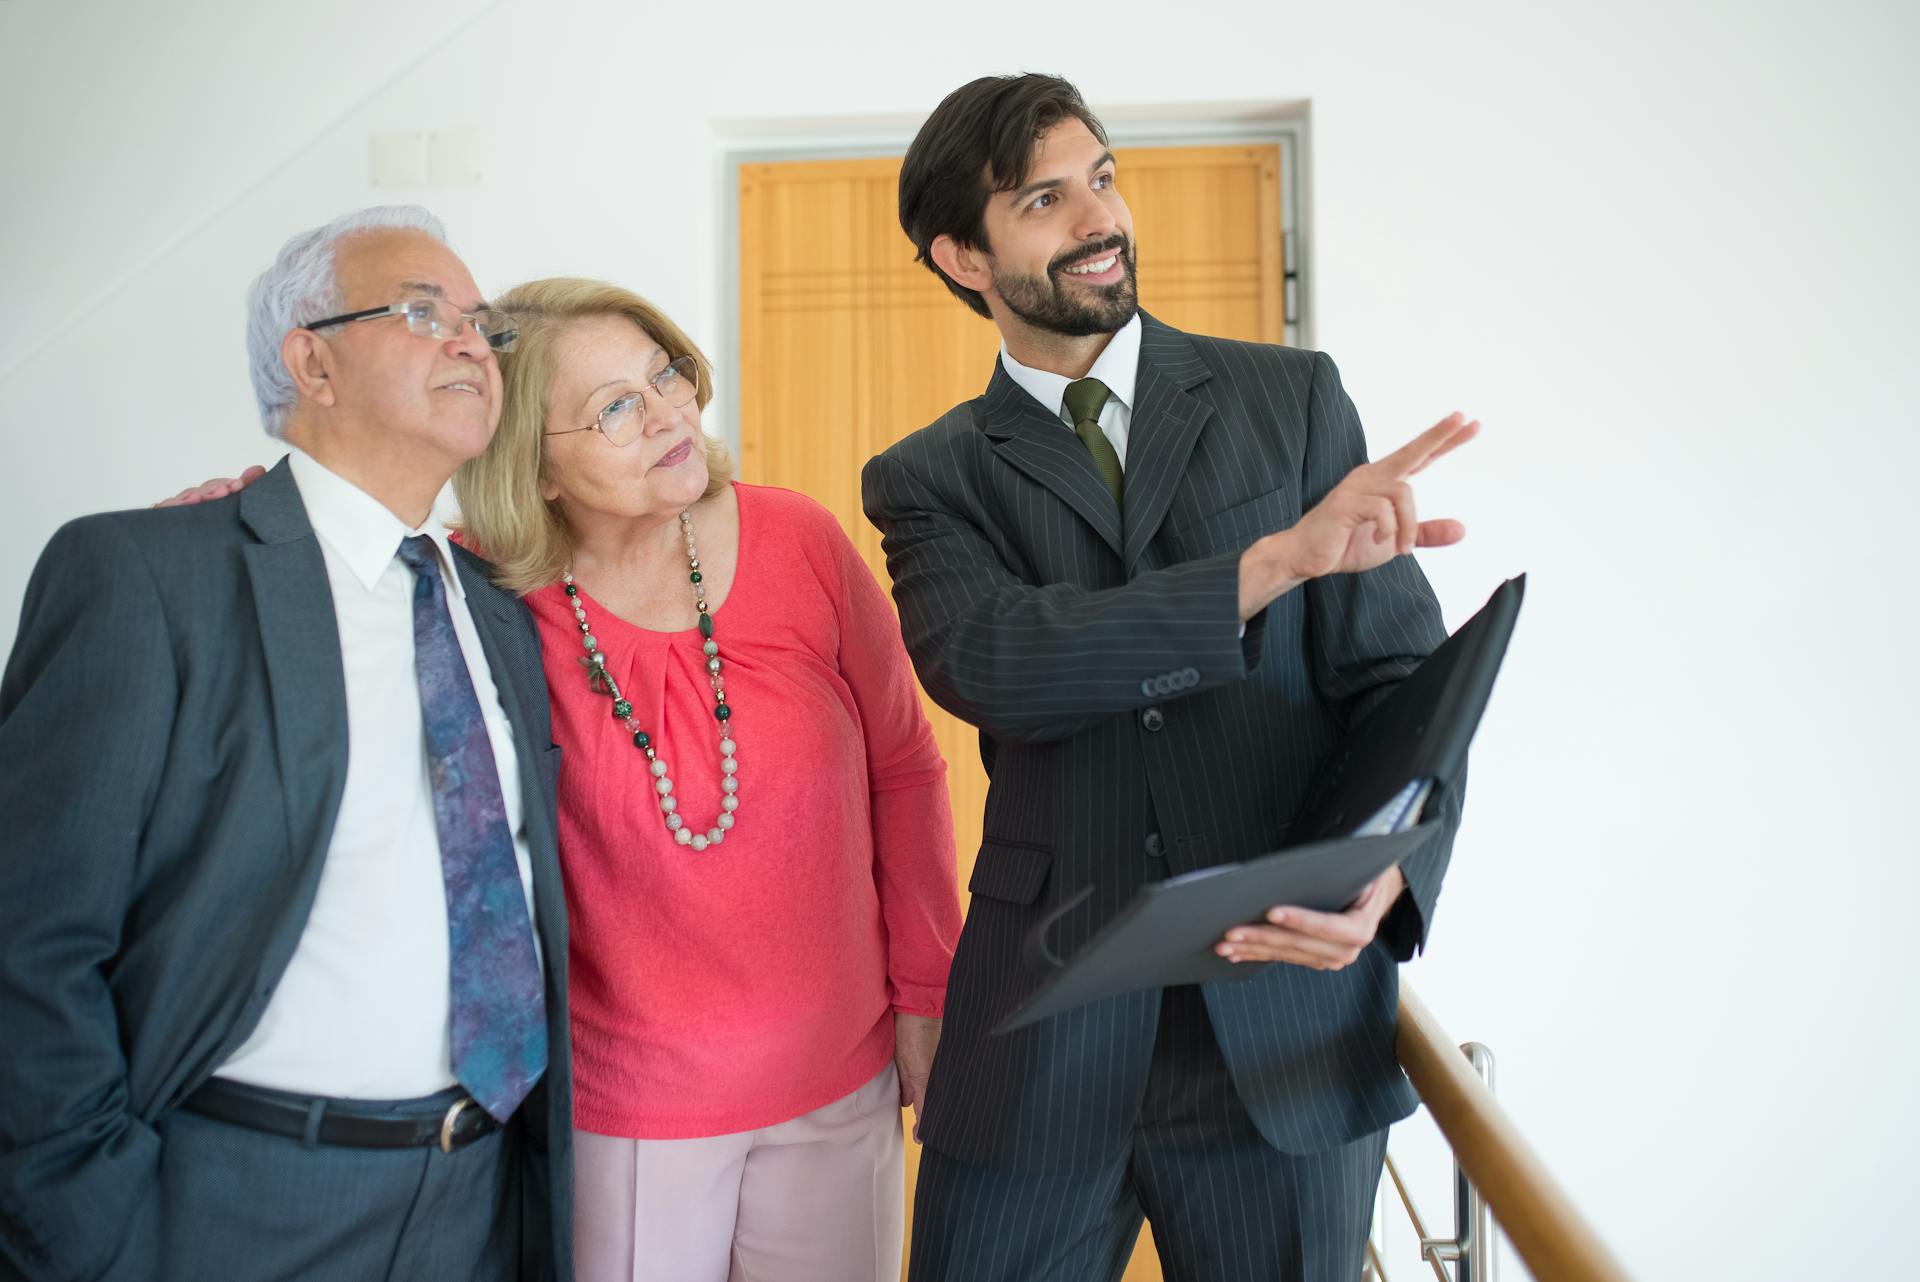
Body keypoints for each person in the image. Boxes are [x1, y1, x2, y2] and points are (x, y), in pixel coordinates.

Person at [158, 276, 963, 1282]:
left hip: (841, 1076)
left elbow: (904, 764)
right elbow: (334, 572)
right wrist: (239, 517)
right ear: (535, 471)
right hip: (630, 1108)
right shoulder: (477, 596)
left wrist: (929, 993)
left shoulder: (798, 539)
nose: (667, 413)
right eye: (615, 407)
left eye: (663, 374)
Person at [864, 74, 1480, 1282]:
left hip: (1286, 1031)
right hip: (1041, 1037)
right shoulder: (927, 476)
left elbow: (1400, 678)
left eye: (1103, 177)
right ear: (962, 256)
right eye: (1045, 198)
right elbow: (998, 661)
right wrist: (1264, 568)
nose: (1099, 218)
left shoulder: (1290, 400)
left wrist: (1389, 874)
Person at [0, 206, 572, 1282]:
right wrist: (90, 1226)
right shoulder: (148, 577)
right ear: (310, 360)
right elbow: (28, 941)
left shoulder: (496, 607)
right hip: (228, 1196)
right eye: (421, 311)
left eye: (480, 324)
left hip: (481, 1198)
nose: (468, 342)